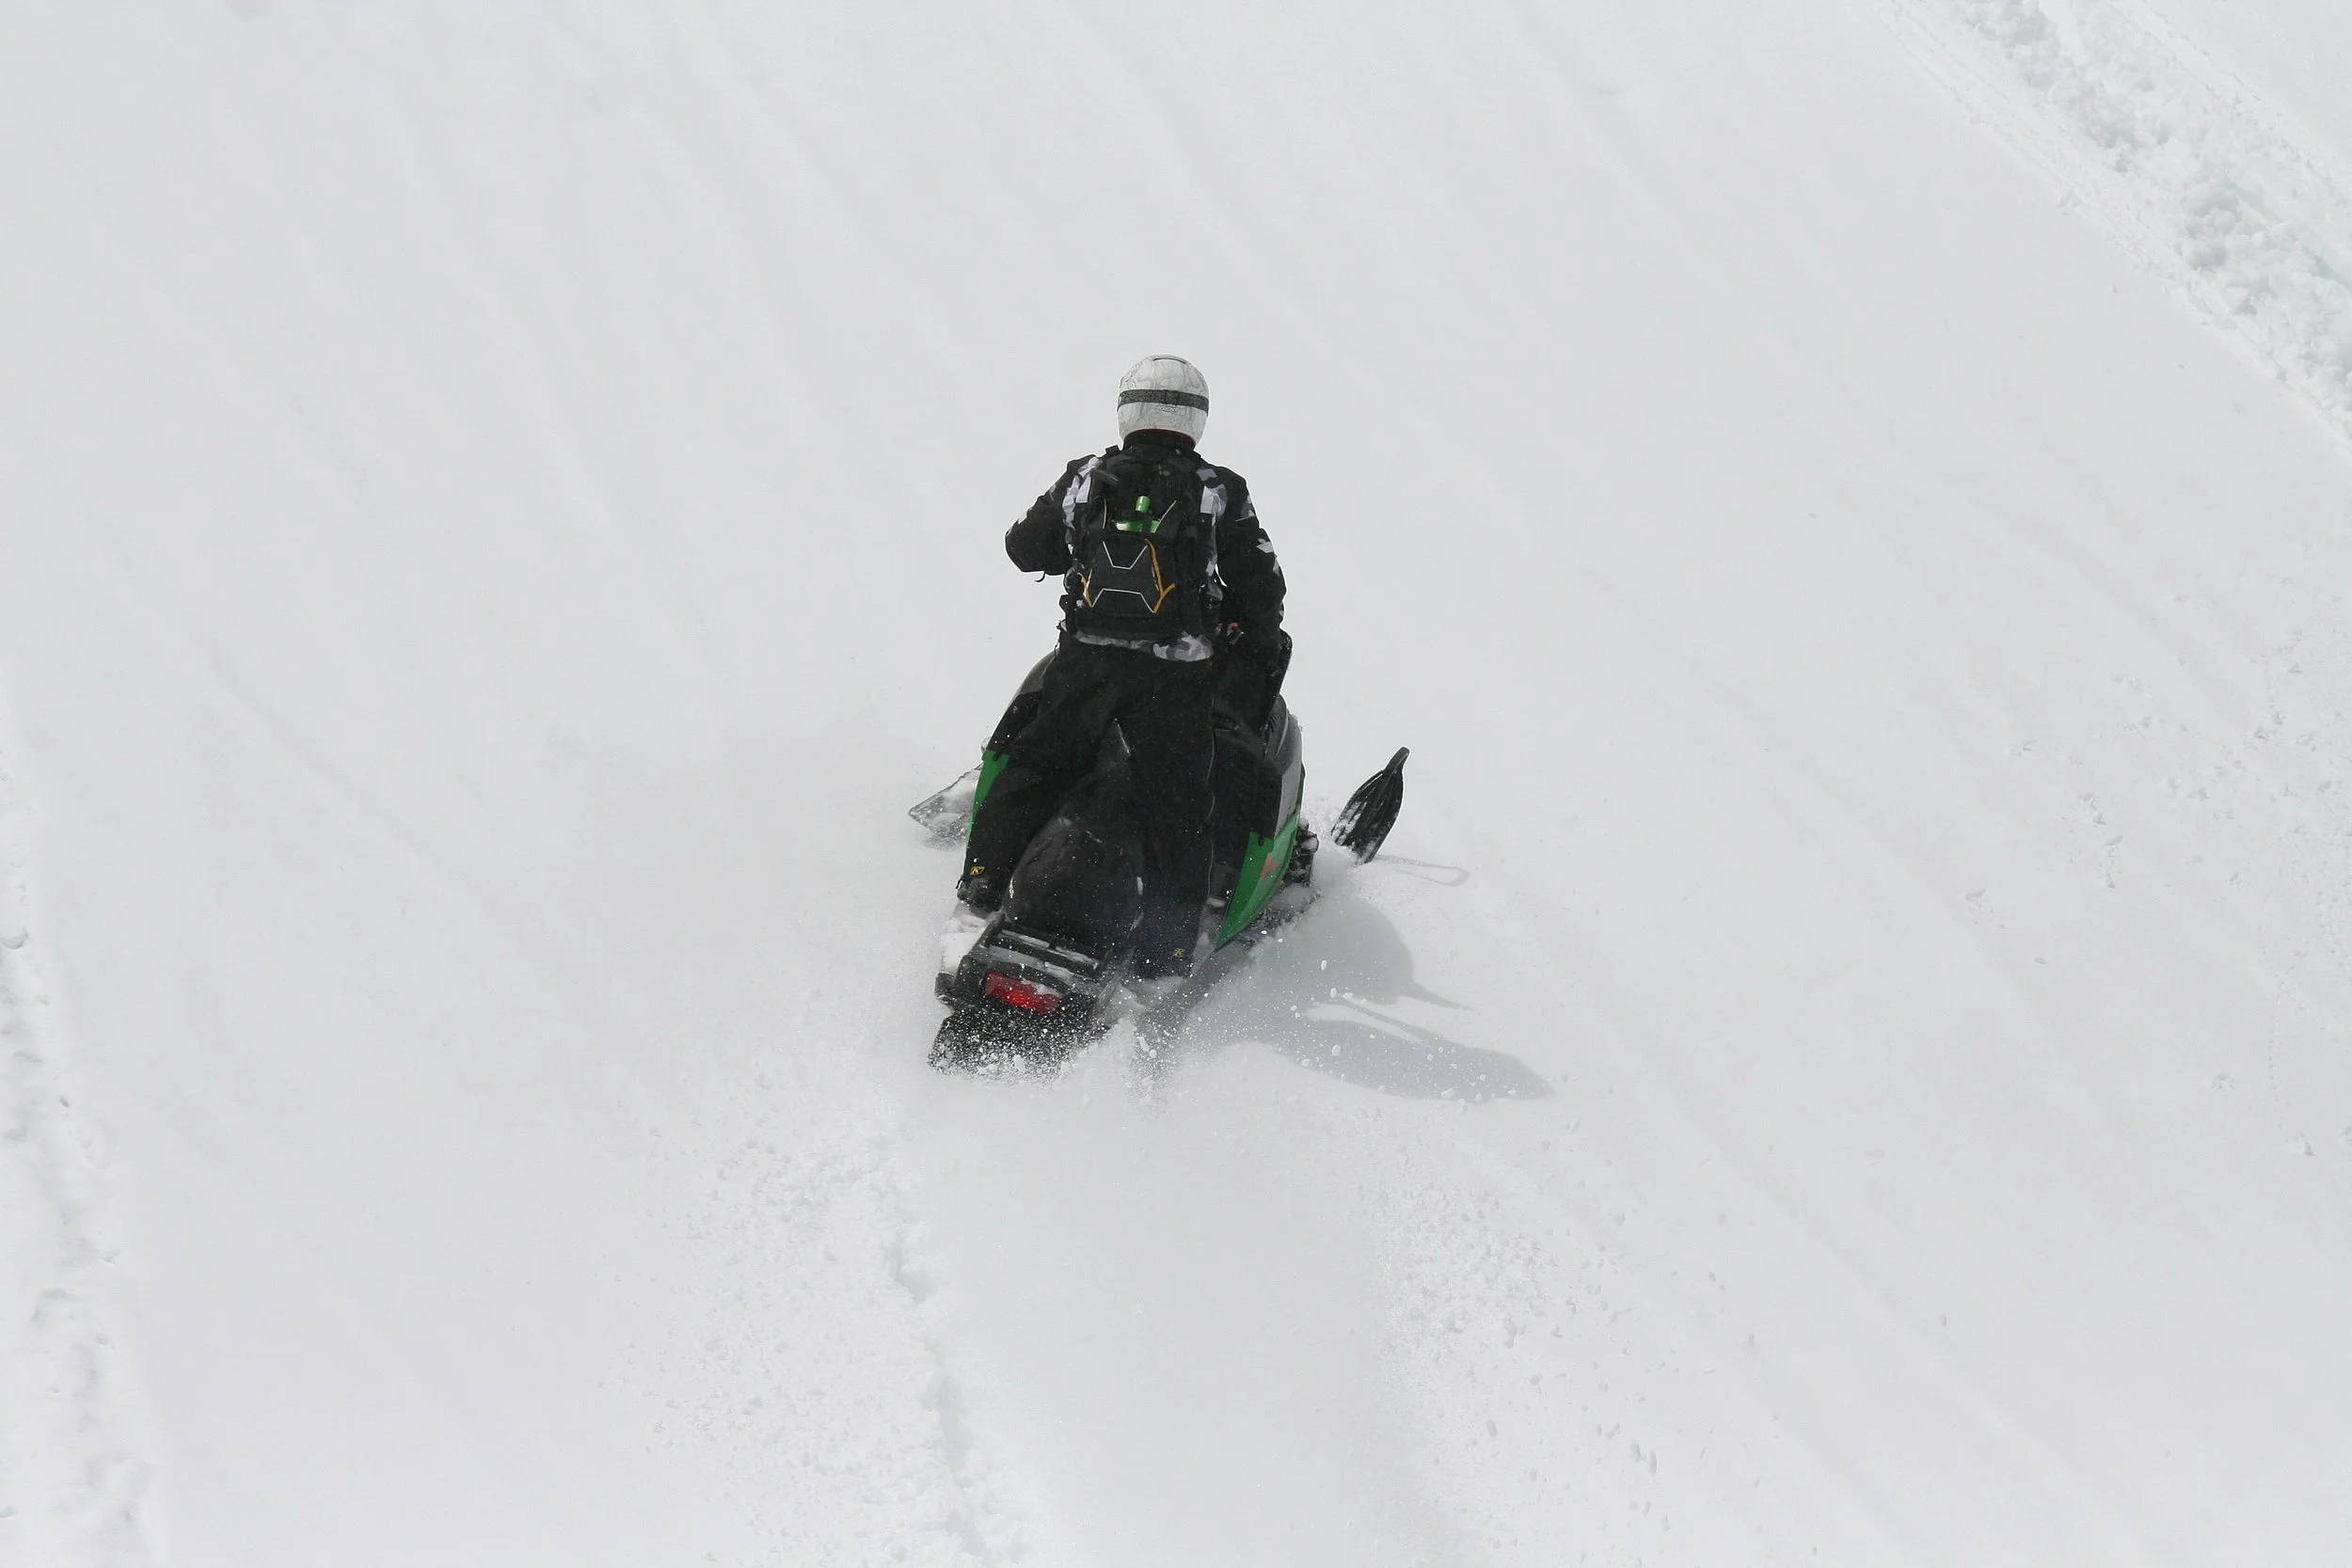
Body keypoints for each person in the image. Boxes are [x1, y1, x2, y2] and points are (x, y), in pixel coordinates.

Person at [959, 356, 1287, 976]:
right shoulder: (1219, 489)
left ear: (1127, 409)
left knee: (1038, 764)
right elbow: (1263, 585)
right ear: (1196, 418)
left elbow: (1024, 547)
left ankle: (982, 880)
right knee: (1178, 806)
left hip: (1086, 665)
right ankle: (1165, 949)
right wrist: (1251, 631)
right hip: (1175, 678)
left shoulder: (1085, 475)